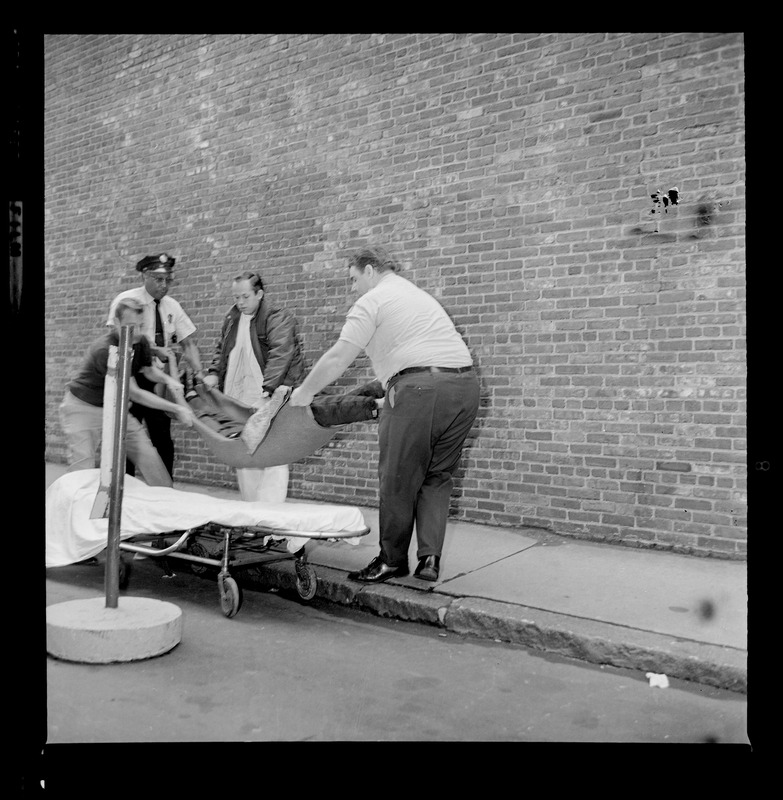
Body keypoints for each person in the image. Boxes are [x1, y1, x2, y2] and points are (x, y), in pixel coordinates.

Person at [289, 246, 479, 583]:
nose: (353, 288)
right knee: (437, 476)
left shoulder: (373, 300)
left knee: (397, 478)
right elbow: (405, 360)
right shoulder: (415, 295)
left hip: (421, 390)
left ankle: (391, 560)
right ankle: (429, 559)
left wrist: (304, 393)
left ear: (370, 271)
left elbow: (338, 358)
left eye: (353, 279)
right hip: (465, 389)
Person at [59, 297, 196, 487]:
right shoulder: (105, 350)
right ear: (116, 323)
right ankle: (80, 511)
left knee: (149, 456)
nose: (137, 333)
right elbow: (135, 393)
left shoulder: (140, 341)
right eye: (132, 326)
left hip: (115, 407)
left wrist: (167, 379)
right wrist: (176, 408)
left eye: (141, 325)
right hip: (83, 408)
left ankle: (165, 504)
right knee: (83, 466)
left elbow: (148, 370)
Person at [203, 271, 305, 502]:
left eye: (245, 297)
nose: (240, 302)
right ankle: (252, 510)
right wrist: (213, 374)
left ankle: (271, 513)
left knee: (274, 451)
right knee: (245, 450)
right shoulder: (232, 319)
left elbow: (281, 354)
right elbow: (222, 350)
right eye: (236, 297)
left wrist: (267, 392)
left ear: (259, 294)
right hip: (240, 397)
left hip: (270, 396)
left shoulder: (277, 317)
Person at [106, 253, 205, 481]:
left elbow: (188, 343)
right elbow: (117, 336)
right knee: (127, 435)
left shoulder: (172, 306)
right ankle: (125, 488)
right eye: (158, 279)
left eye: (168, 279)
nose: (164, 285)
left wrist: (199, 373)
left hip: (158, 380)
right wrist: (152, 350)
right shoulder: (127, 301)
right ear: (144, 276)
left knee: (162, 438)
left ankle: (164, 490)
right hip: (131, 376)